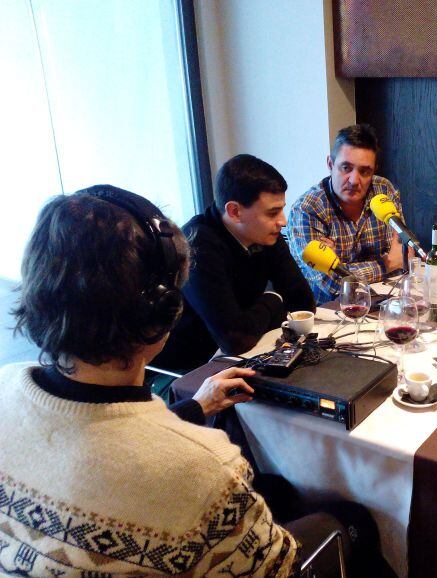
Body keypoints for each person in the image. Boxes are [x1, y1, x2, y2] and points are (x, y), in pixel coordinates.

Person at [0, 186, 316, 576]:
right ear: (164, 308)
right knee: (347, 518)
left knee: (281, 492)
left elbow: (107, 437)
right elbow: (279, 567)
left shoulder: (5, 385)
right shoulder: (207, 470)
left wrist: (195, 407)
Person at [154, 154, 315, 373]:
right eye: (272, 212)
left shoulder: (266, 234)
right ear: (235, 212)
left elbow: (303, 303)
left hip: (242, 357)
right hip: (189, 370)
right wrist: (273, 299)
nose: (283, 221)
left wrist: (251, 319)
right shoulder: (197, 246)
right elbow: (235, 339)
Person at [287, 124, 407, 304]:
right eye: (346, 168)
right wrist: (387, 264)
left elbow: (405, 254)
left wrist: (346, 269)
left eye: (364, 171)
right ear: (330, 164)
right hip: (331, 312)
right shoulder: (306, 210)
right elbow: (333, 283)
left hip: (386, 301)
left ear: (373, 171)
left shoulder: (384, 191)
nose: (354, 180)